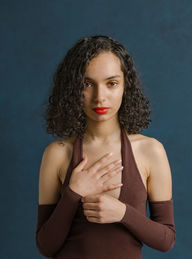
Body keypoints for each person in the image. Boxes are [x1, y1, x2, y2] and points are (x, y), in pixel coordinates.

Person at [35, 35, 176, 258]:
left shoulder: (151, 151)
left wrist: (123, 213)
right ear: (73, 88)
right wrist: (73, 194)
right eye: (87, 84)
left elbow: (166, 239)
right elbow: (45, 246)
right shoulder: (57, 153)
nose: (99, 97)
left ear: (125, 86)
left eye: (111, 83)